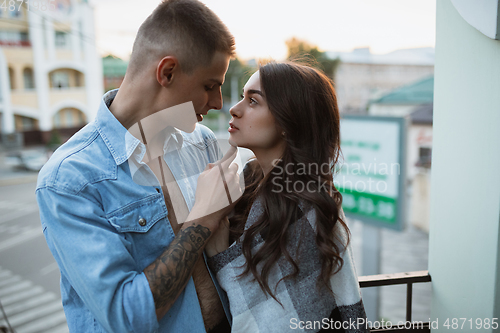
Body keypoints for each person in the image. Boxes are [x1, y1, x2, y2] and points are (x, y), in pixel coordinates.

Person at [35, 0, 241, 332]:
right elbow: (125, 316)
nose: (217, 103)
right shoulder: (69, 179)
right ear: (167, 72)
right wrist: (204, 217)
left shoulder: (200, 141)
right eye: (209, 86)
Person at [205, 61, 369, 332]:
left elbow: (272, 321)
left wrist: (219, 254)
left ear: (287, 120)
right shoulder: (249, 181)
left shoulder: (305, 207)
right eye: (242, 97)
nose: (234, 108)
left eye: (253, 101)